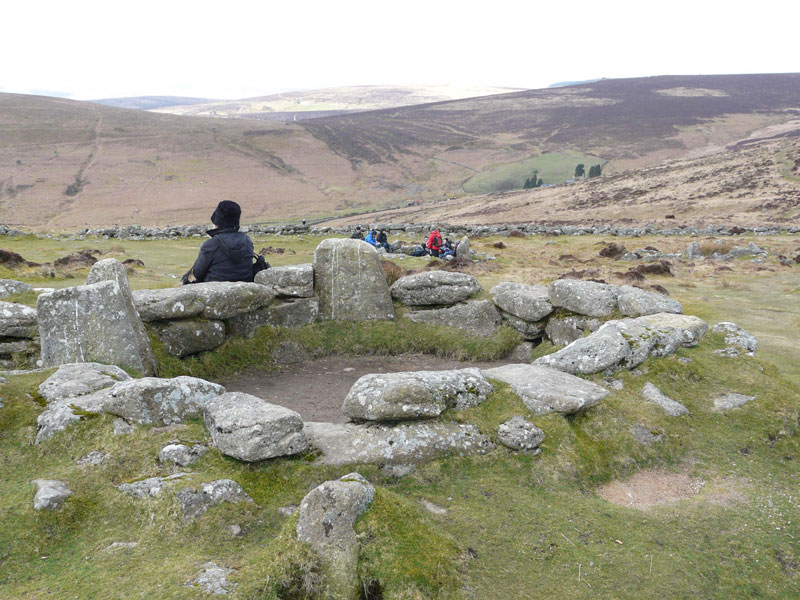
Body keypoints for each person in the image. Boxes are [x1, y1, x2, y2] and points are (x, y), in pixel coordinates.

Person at [184, 200, 254, 283]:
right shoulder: (247, 241)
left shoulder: (210, 244)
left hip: (215, 290)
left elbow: (197, 274)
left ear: (217, 221)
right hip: (245, 288)